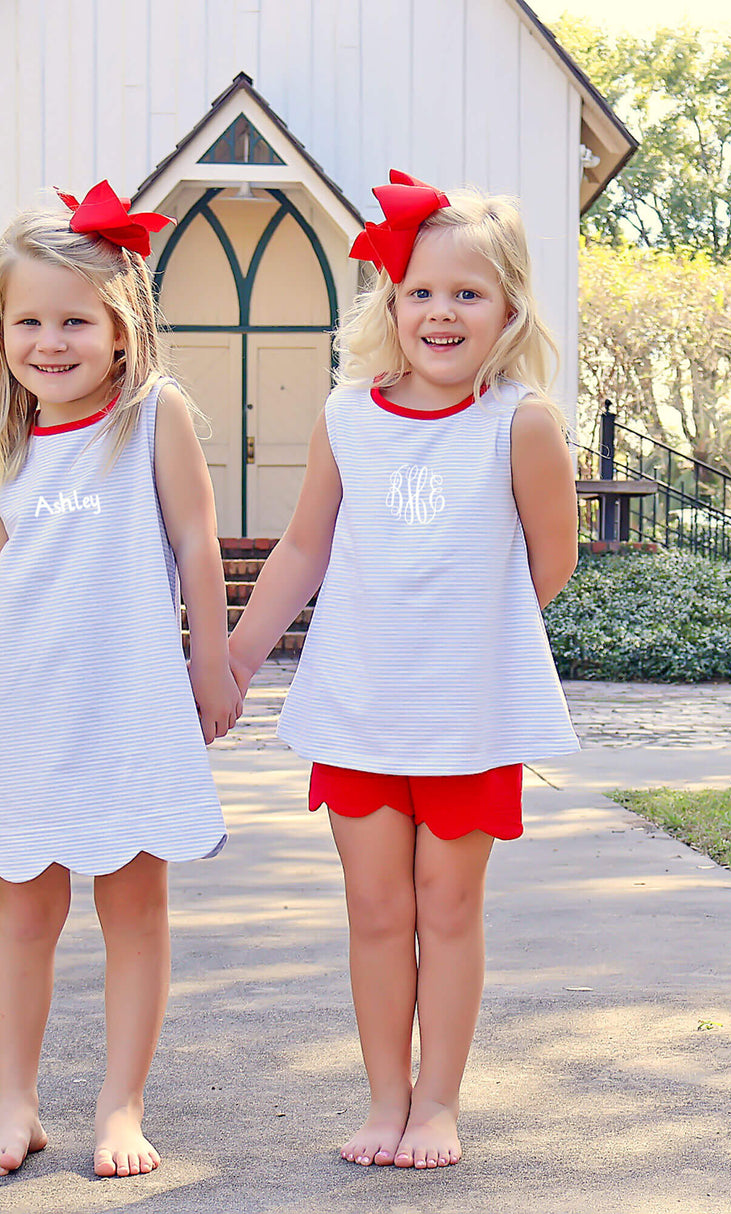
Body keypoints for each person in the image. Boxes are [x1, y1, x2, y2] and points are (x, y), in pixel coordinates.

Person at [228, 171, 580, 1171]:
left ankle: (436, 1104)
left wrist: (461, 638)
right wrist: (239, 654)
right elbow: (302, 547)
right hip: (357, 708)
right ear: (390, 300)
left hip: (466, 715)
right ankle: (383, 1097)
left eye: (465, 293)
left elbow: (544, 565)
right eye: (420, 290)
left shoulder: (519, 423)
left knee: (447, 906)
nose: (439, 311)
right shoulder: (349, 413)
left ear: (506, 308)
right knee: (377, 910)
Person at [0, 181, 241, 1179]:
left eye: (74, 318)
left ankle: (120, 1104)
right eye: (27, 320)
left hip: (131, 707)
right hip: (32, 716)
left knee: (133, 908)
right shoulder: (5, 453)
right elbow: (24, 589)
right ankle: (14, 1105)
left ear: (122, 330)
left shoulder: (151, 418)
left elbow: (197, 544)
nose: (50, 339)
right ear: (1, 333)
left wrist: (210, 659)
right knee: (23, 911)